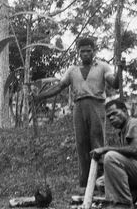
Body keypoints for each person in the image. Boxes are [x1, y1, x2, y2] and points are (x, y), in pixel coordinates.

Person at [33, 37, 122, 190]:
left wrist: (120, 70)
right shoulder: (72, 70)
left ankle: (100, 183)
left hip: (96, 105)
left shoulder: (102, 67)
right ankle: (84, 183)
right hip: (79, 107)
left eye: (89, 51)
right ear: (78, 53)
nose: (86, 54)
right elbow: (59, 87)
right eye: (83, 51)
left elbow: (114, 83)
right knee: (81, 144)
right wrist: (39, 97)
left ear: (93, 51)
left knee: (97, 142)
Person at [90, 99, 137, 209]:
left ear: (125, 111)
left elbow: (134, 150)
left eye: (114, 113)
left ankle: (124, 203)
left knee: (110, 156)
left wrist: (106, 149)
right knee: (101, 182)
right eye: (109, 116)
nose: (111, 118)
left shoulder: (134, 123)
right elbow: (126, 158)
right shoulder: (123, 131)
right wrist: (101, 160)